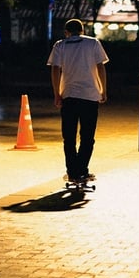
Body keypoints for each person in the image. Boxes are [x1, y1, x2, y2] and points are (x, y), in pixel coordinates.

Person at [47, 18, 108, 182]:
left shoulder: (60, 45)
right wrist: (103, 90)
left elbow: (55, 70)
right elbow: (101, 67)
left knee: (69, 137)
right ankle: (82, 169)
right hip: (90, 96)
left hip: (69, 96)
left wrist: (56, 94)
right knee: (88, 137)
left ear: (66, 32)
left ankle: (72, 172)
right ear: (82, 30)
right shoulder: (93, 43)